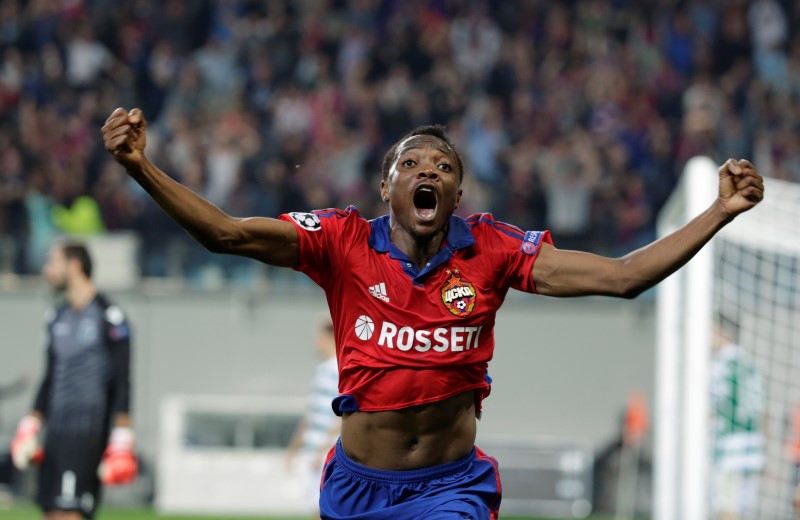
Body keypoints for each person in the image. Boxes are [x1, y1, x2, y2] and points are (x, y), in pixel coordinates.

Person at [102, 107, 764, 519]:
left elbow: (622, 278)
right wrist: (139, 167)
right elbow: (226, 233)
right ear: (385, 186)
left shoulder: (495, 250)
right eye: (410, 162)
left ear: (455, 191)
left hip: (451, 490)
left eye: (442, 165)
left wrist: (719, 212)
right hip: (357, 490)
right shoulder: (341, 241)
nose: (428, 170)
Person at [10, 240, 137, 520]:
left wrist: (122, 437)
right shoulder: (56, 317)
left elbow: (122, 380)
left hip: (87, 432)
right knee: (50, 513)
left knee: (70, 514)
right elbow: (50, 376)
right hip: (55, 432)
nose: (47, 270)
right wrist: (31, 424)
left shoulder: (109, 316)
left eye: (53, 262)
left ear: (75, 265)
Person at [709, 316, 766, 520]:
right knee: (741, 511)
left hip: (728, 448)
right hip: (752, 449)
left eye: (711, 330)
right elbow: (763, 411)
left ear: (724, 333)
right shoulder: (751, 365)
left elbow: (711, 408)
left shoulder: (721, 366)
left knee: (727, 509)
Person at [285, 316, 340, 520]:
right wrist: (294, 449)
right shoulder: (322, 370)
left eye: (317, 335)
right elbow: (311, 414)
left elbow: (342, 415)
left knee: (323, 509)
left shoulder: (339, 369)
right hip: (312, 451)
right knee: (314, 508)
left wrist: (323, 448)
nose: (314, 341)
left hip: (325, 452)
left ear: (328, 336)